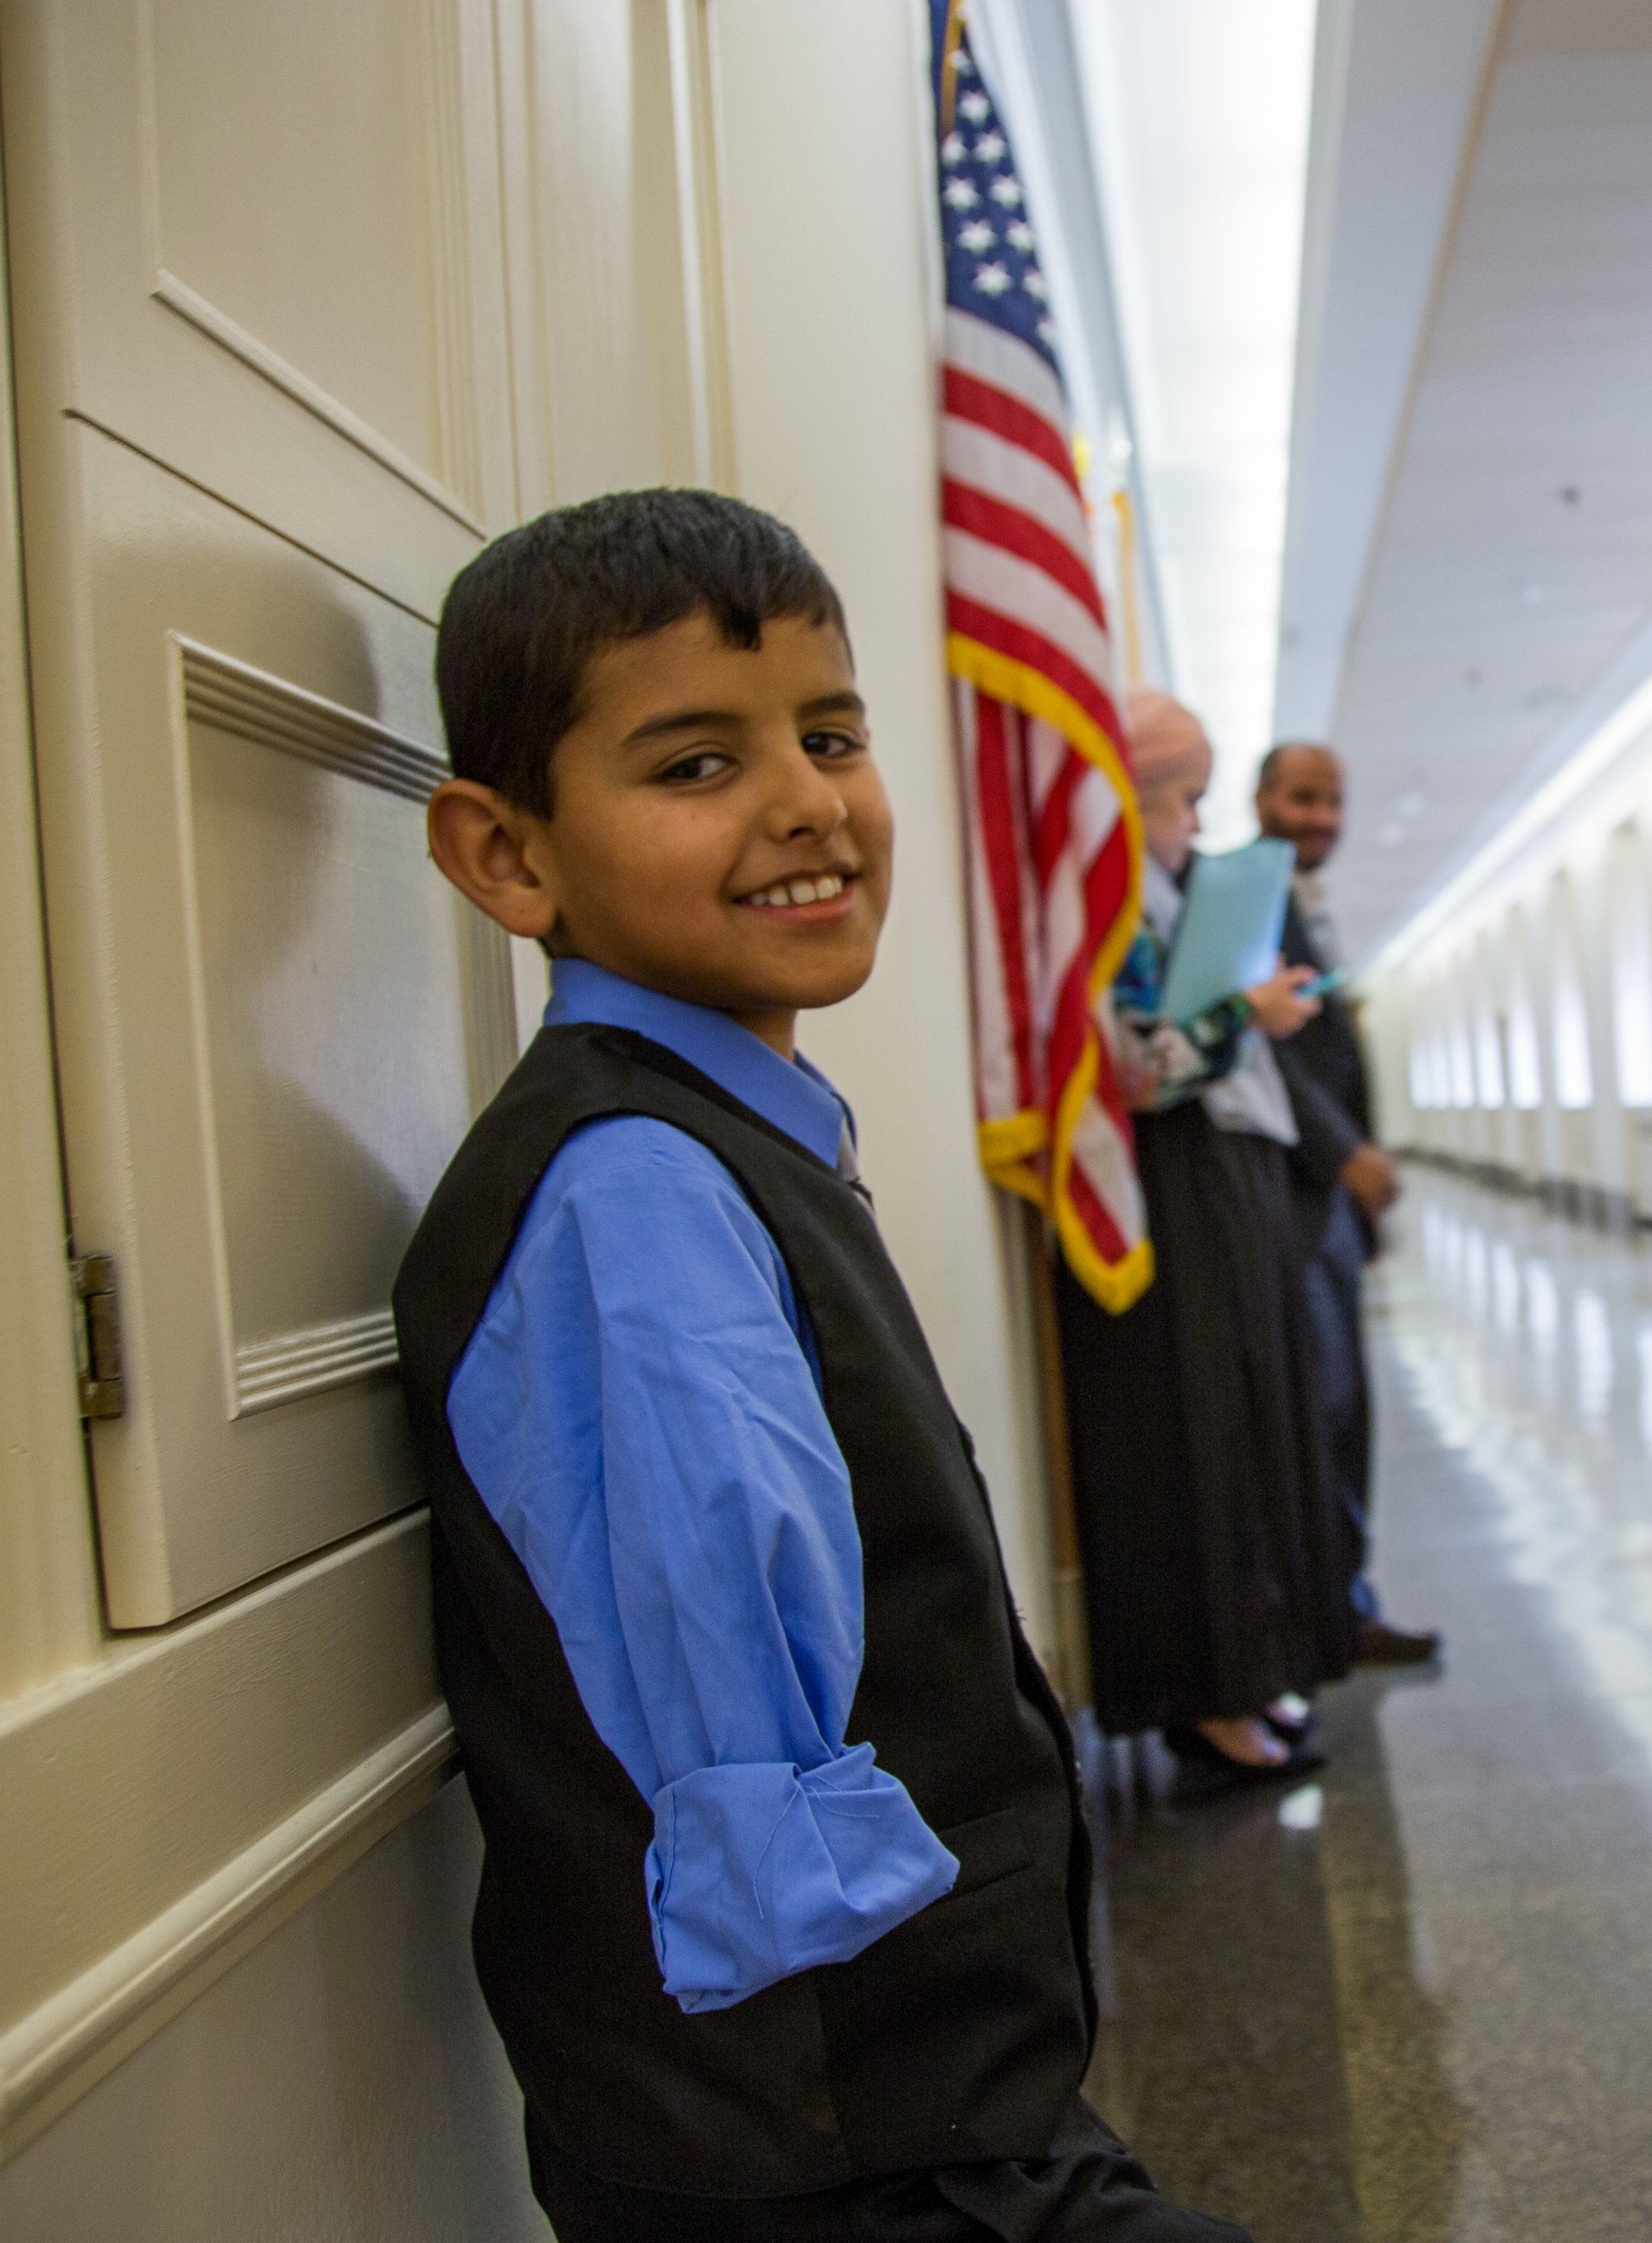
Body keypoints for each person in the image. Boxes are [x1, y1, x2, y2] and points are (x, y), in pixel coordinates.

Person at [393, 492, 1249, 2241]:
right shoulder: (633, 1193)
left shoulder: (713, 1137)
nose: (804, 801)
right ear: (508, 855)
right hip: (854, 2145)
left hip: (865, 2115)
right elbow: (744, 1756)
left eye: (830, 733)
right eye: (694, 762)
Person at [1053, 691, 1357, 1796]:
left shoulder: (1177, 890)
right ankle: (1211, 1695)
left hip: (1230, 1171)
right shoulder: (1116, 898)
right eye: (1184, 797)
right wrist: (1248, 1018)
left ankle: (1255, 1669)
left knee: (1258, 1420)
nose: (1193, 820)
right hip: (1179, 1180)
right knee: (1208, 1433)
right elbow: (1140, 1063)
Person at [1255, 742, 1441, 1665]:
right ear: (1259, 800)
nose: (1320, 816)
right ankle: (1332, 1613)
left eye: (1332, 800)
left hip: (1326, 1201)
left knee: (1344, 1406)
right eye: (1302, 797)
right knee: (1325, 1405)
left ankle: (1343, 1600)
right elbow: (1276, 1058)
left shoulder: (1300, 901)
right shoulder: (1253, 896)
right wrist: (1347, 1155)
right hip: (1296, 1193)